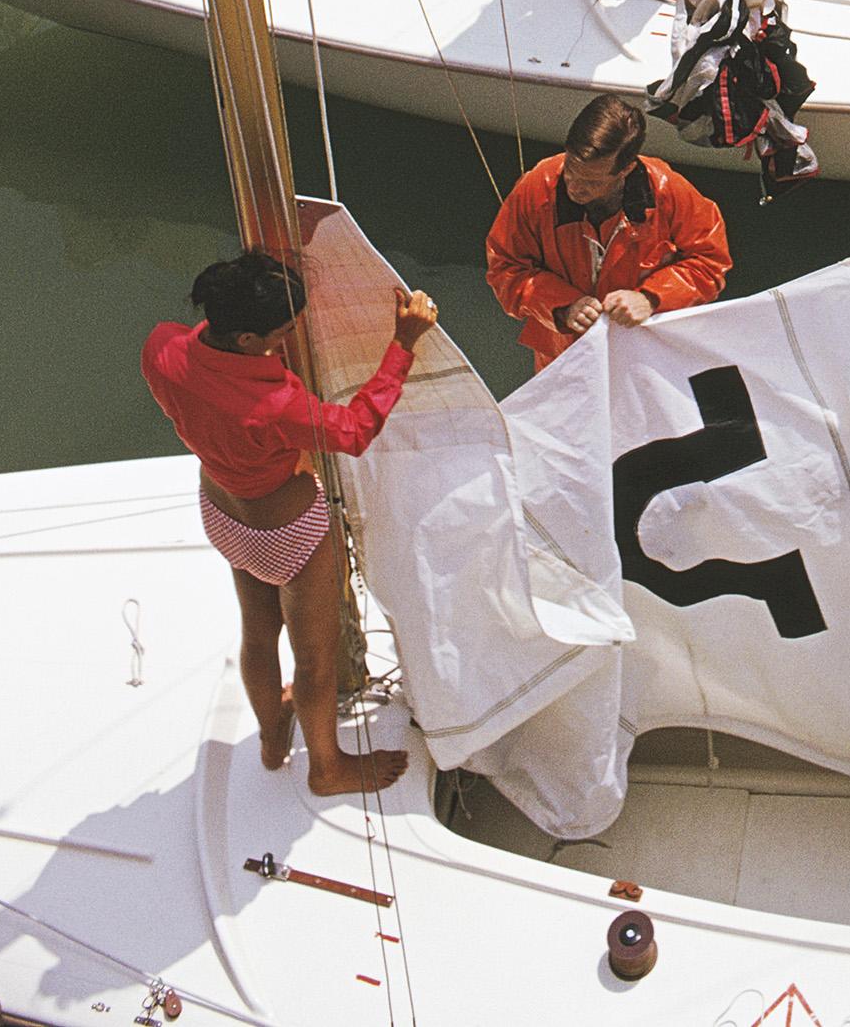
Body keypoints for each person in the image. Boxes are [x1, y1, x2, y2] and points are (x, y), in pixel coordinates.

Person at [142, 247, 439, 795]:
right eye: (283, 331)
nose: (291, 336)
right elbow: (352, 431)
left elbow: (207, 380)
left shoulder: (161, 349)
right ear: (248, 341)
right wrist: (402, 345)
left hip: (222, 515)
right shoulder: (274, 401)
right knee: (315, 660)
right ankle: (327, 770)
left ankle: (272, 737)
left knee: (258, 636)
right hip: (289, 533)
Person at [486, 92, 730, 370]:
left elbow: (711, 263)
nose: (574, 186)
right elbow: (505, 269)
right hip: (563, 357)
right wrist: (562, 306)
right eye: (570, 170)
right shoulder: (535, 187)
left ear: (626, 169)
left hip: (646, 354)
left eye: (591, 180)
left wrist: (650, 297)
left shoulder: (668, 190)